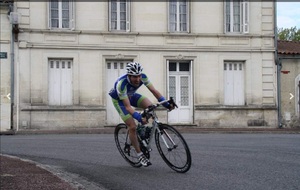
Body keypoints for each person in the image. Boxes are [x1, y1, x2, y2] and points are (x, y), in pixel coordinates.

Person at [109, 62, 173, 167]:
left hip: (131, 95)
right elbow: (128, 107)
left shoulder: (143, 77)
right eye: (134, 77)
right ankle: (140, 155)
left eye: (139, 76)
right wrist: (139, 118)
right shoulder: (121, 84)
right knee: (132, 127)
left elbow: (154, 91)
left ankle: (143, 130)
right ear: (129, 75)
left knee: (150, 107)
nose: (138, 79)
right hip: (120, 101)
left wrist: (166, 104)